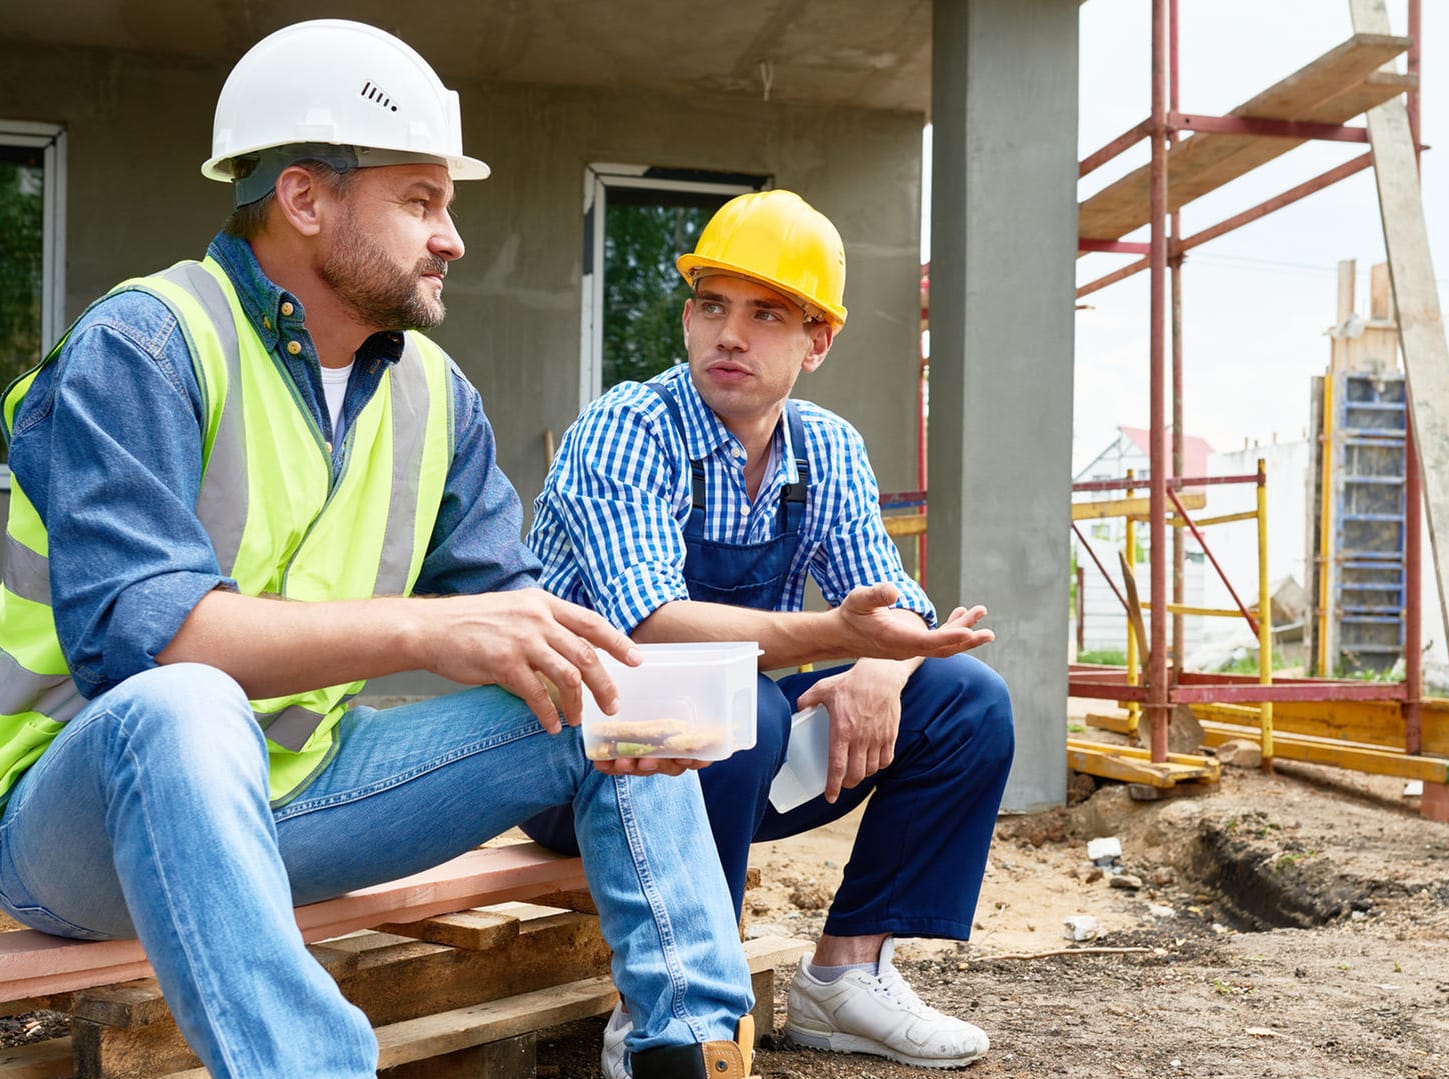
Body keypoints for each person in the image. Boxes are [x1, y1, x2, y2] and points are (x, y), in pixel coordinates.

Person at [0, 20, 758, 1079]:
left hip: (304, 791)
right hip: (78, 826)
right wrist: (427, 626)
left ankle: (690, 1049)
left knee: (604, 688)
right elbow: (153, 644)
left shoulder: (436, 397)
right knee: (186, 701)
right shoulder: (148, 343)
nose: (450, 235)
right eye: (420, 201)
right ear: (305, 199)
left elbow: (525, 626)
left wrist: (627, 732)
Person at [526, 189, 1015, 1073]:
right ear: (686, 319)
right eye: (712, 305)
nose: (730, 334)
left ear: (816, 342)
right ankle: (666, 1000)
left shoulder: (825, 450)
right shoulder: (628, 429)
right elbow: (653, 624)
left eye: (765, 314)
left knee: (968, 700)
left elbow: (900, 605)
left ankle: (846, 979)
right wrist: (840, 630)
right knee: (733, 702)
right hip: (579, 757)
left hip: (728, 756)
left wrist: (881, 667)